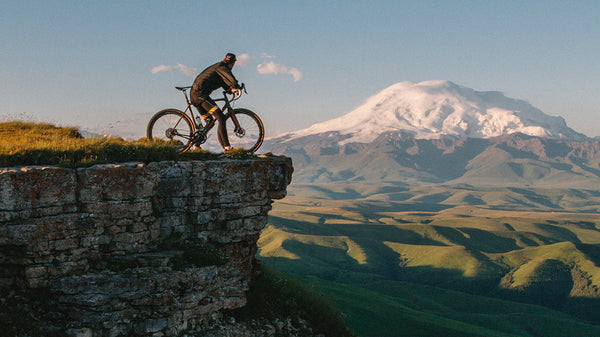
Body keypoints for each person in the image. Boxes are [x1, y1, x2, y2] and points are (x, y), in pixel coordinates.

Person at [190, 53, 241, 152]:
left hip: (196, 95)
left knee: (209, 122)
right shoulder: (222, 67)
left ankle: (196, 144)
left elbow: (224, 83)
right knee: (221, 117)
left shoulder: (219, 69)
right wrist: (237, 86)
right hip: (200, 95)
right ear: (233, 63)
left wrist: (230, 90)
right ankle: (227, 147)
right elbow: (231, 79)